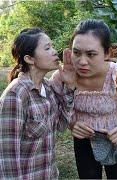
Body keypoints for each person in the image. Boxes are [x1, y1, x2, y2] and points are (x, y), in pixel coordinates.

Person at [53, 19, 117, 179]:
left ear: (107, 53)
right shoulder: (63, 77)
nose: (82, 61)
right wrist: (72, 124)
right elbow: (56, 113)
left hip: (116, 141)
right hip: (83, 141)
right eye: (76, 52)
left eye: (91, 54)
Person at [0, 28, 76, 179]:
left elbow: (60, 126)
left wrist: (70, 87)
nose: (55, 51)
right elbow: (7, 159)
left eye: (52, 46)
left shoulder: (48, 88)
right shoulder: (16, 95)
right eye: (47, 48)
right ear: (29, 59)